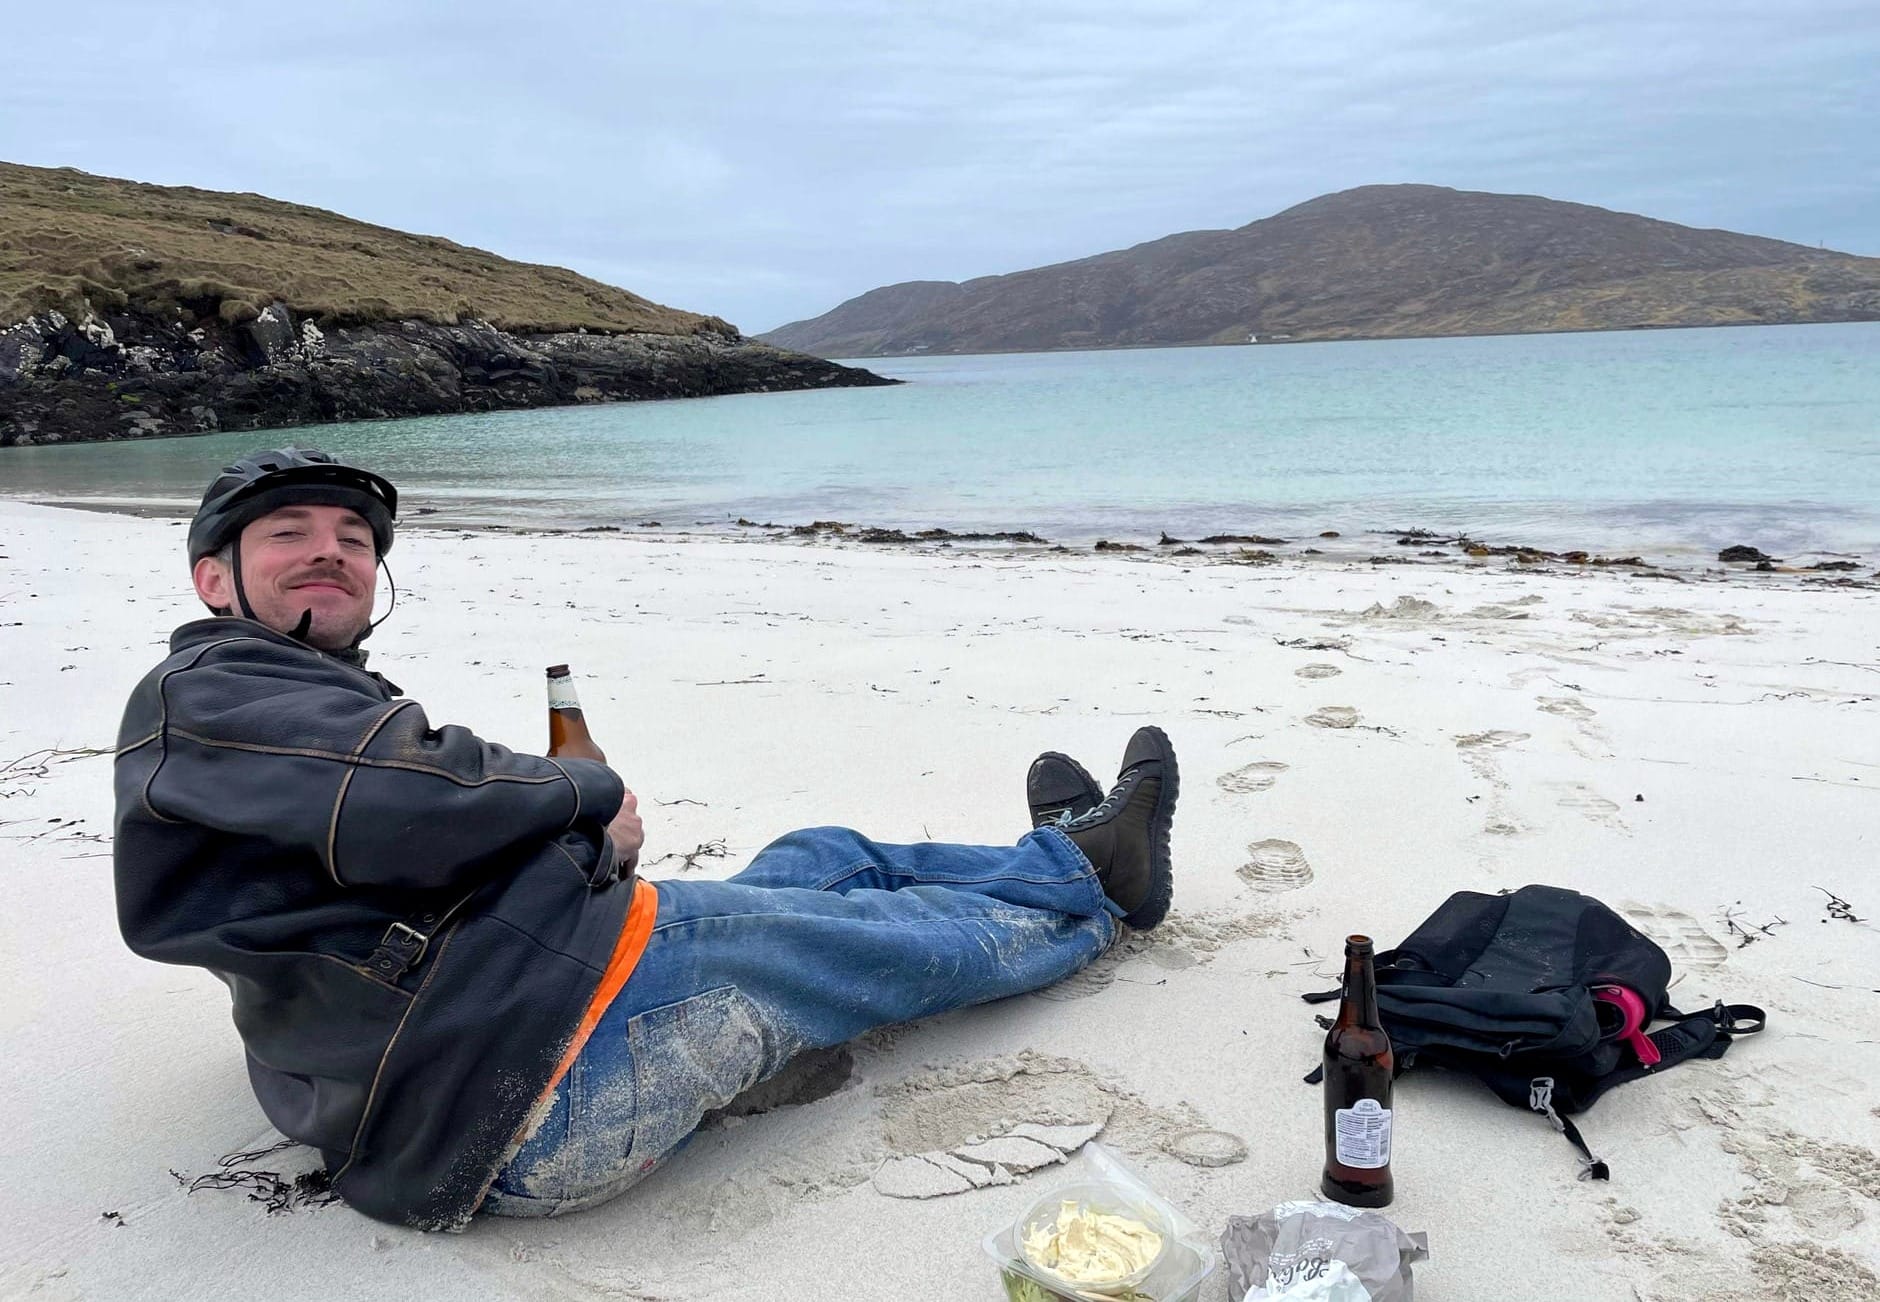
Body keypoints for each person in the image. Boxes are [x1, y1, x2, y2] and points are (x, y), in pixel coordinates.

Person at [113, 447, 1180, 1229]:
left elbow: (407, 847)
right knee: (873, 941)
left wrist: (583, 842)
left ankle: (1059, 855)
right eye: (288, 535)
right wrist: (585, 791)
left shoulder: (299, 713)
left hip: (503, 1003)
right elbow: (414, 796)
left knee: (819, 856)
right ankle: (1090, 883)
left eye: (352, 541)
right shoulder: (210, 688)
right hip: (518, 1093)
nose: (329, 554)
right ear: (214, 581)